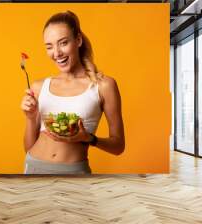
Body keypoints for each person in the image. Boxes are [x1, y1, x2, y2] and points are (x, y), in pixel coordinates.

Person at [20, 10, 125, 174]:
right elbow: (28, 147)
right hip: (33, 166)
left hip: (74, 171)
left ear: (78, 40)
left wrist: (88, 138)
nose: (56, 53)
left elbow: (118, 146)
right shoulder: (38, 87)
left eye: (63, 43)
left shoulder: (104, 86)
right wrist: (31, 117)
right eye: (49, 46)